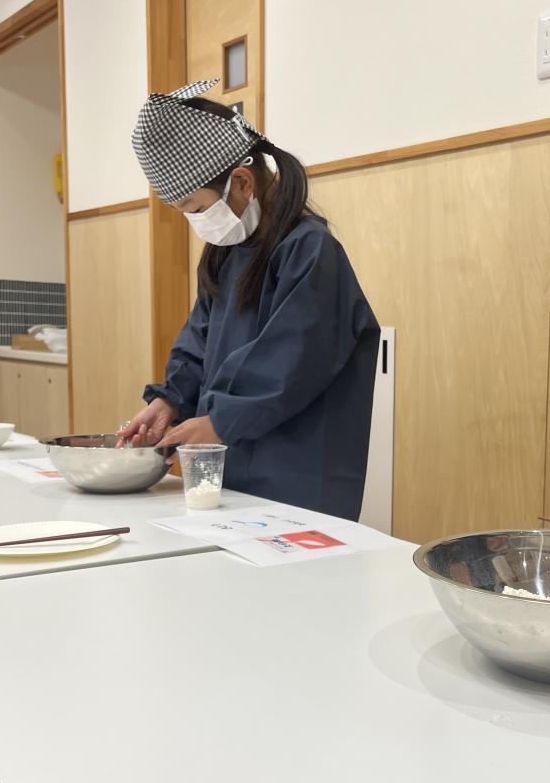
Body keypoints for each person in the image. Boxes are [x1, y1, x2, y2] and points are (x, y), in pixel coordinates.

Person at [122, 80, 379, 520]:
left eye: (194, 208)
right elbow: (198, 344)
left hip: (298, 472)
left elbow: (292, 361)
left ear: (242, 182)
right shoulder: (225, 255)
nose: (195, 222)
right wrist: (169, 400)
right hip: (233, 463)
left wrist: (220, 422)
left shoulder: (310, 251)